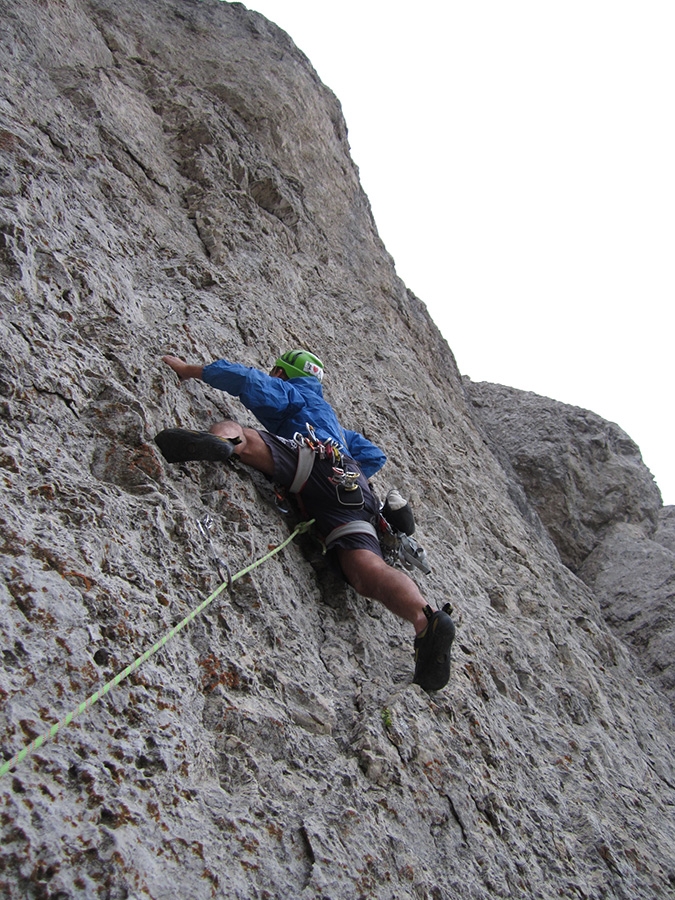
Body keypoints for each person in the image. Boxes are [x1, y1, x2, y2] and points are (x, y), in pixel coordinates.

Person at [155, 349, 455, 691]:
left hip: (309, 459)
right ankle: (424, 617)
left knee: (243, 434)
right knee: (365, 570)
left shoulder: (292, 394)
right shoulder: (336, 425)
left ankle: (222, 442)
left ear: (282, 374)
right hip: (353, 486)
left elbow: (247, 380)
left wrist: (187, 369)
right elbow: (374, 455)